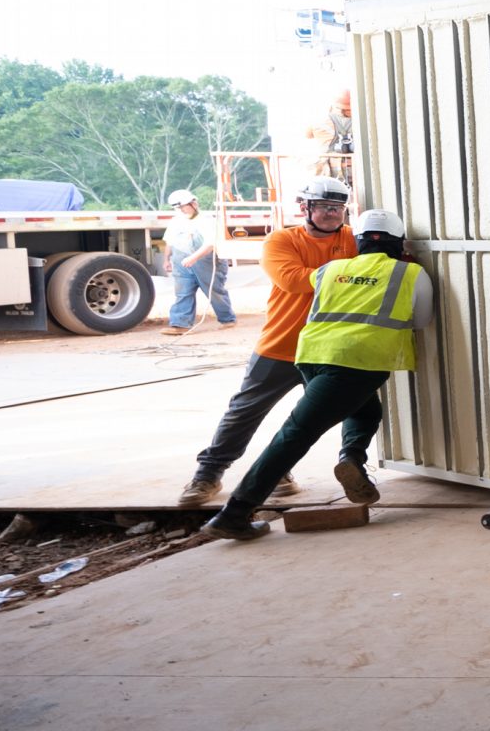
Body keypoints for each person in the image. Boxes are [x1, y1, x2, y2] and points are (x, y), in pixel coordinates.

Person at [203, 208, 436, 540]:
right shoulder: (411, 274)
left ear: (357, 243)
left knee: (366, 409)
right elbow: (421, 320)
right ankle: (235, 513)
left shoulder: (329, 269)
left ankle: (351, 457)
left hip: (311, 356)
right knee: (295, 434)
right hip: (359, 362)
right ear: (399, 244)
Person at [177, 176, 362, 507]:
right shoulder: (282, 241)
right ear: (304, 207)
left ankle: (278, 471)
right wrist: (352, 274)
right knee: (244, 412)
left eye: (338, 207)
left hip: (329, 349)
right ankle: (208, 474)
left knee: (323, 416)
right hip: (282, 345)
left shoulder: (352, 239)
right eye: (324, 207)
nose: (333, 214)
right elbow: (293, 281)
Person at [159, 189, 235, 334]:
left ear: (193, 203)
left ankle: (227, 319)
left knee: (214, 291)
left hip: (207, 261)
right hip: (181, 261)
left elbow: (210, 244)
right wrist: (166, 259)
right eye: (179, 208)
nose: (182, 210)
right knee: (183, 292)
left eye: (184, 206)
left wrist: (194, 258)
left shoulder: (207, 221)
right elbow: (170, 241)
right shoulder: (176, 221)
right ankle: (180, 324)